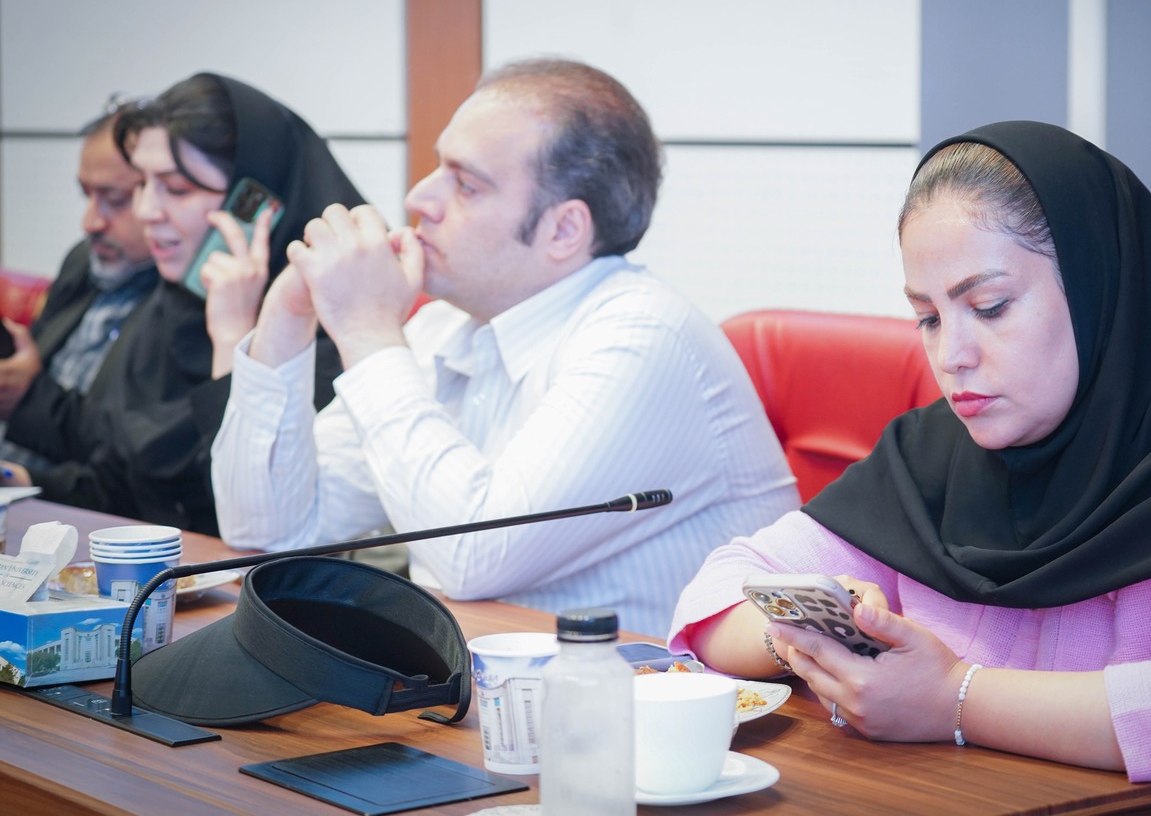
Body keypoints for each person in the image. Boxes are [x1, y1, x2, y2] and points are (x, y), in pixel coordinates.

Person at [668, 121, 1151, 812]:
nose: (952, 355)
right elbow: (718, 595)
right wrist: (805, 630)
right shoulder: (933, 450)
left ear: (1097, 286)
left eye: (989, 306)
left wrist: (953, 697)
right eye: (929, 317)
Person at [212, 58, 799, 638]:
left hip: (646, 691)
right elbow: (267, 533)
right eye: (438, 168)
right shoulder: (445, 326)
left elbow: (471, 557)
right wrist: (288, 314)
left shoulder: (643, 335)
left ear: (564, 229)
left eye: (466, 185)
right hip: (483, 683)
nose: (420, 196)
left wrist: (367, 332)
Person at [0, 73, 363, 534]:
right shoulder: (176, 302)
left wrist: (235, 340)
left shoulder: (336, 318)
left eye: (176, 189)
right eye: (142, 185)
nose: (147, 211)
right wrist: (19, 481)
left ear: (254, 202)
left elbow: (255, 516)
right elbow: (127, 479)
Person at [0, 96, 159, 474]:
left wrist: (28, 398)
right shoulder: (84, 260)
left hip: (64, 494)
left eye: (114, 199)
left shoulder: (193, 301)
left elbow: (134, 453)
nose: (90, 222)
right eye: (87, 194)